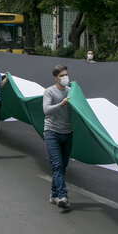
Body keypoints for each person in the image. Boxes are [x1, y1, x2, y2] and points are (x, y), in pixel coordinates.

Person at [43, 65, 73, 209]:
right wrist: (61, 104)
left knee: (62, 166)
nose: (65, 77)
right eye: (62, 75)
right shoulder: (49, 92)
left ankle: (54, 195)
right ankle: (62, 195)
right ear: (55, 78)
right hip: (52, 133)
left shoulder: (71, 91)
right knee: (57, 165)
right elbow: (46, 110)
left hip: (67, 133)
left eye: (66, 74)